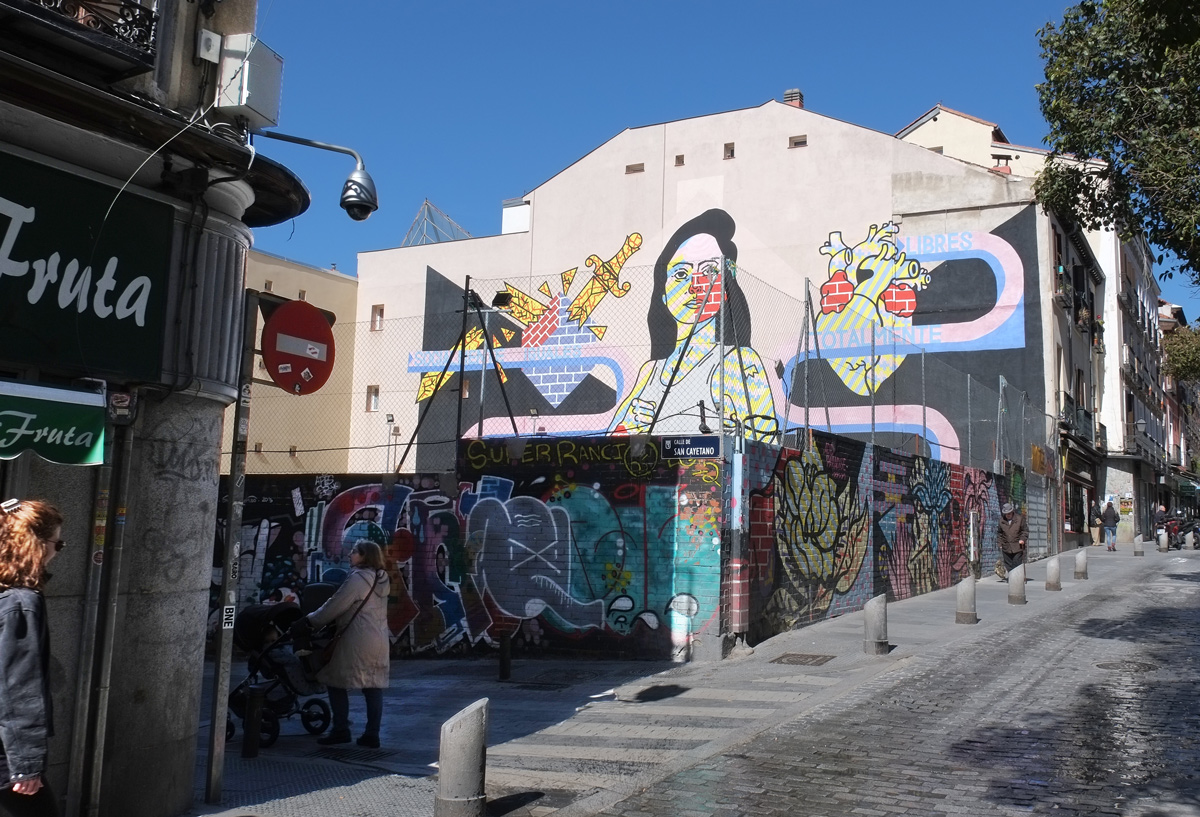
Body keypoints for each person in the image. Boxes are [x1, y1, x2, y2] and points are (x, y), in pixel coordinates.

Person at [608, 209, 776, 441]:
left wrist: (738, 435)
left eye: (708, 271)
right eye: (680, 274)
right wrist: (629, 428)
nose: (695, 286)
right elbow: (608, 445)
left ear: (725, 290)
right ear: (663, 294)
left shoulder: (739, 361)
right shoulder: (650, 371)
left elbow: (768, 439)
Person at [0, 498, 63, 817]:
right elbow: (17, 688)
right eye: (57, 543)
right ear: (37, 545)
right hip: (6, 755)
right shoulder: (20, 602)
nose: (56, 552)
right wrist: (26, 766)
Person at [304, 541, 390, 748]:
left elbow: (335, 605)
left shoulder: (358, 579)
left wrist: (311, 620)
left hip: (357, 639)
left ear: (364, 556)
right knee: (373, 686)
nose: (350, 554)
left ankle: (341, 729)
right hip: (379, 639)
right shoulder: (382, 579)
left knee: (335, 680)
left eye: (354, 552)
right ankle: (372, 734)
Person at [997, 502, 1028, 581]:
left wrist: (1022, 539)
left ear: (1012, 512)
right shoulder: (1001, 521)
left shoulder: (1020, 519)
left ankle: (1016, 579)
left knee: (1016, 563)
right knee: (1008, 564)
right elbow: (999, 533)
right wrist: (1000, 543)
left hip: (1017, 546)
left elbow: (1025, 531)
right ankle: (1012, 578)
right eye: (1006, 514)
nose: (1008, 515)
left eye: (1009, 513)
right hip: (1006, 546)